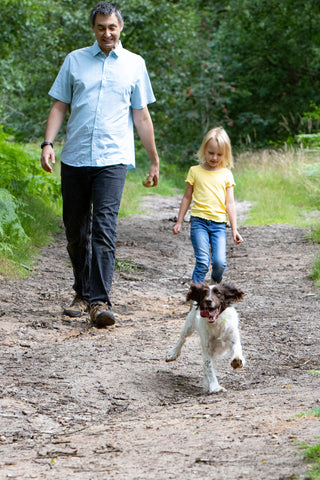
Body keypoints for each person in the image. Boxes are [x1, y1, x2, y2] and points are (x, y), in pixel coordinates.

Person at [40, 1, 159, 328]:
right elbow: (59, 105)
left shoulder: (135, 64)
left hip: (113, 158)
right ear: (94, 29)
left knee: (104, 229)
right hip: (76, 157)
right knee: (75, 231)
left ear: (121, 28)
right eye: (101, 27)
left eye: (112, 27)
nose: (107, 33)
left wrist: (153, 159)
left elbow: (142, 115)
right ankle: (82, 290)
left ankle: (99, 301)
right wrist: (48, 144)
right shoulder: (74, 61)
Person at [172, 127, 242, 285]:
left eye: (219, 154)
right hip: (199, 222)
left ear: (225, 154)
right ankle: (195, 298)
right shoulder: (194, 171)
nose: (214, 158)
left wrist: (234, 229)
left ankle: (213, 289)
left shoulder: (226, 174)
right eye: (211, 153)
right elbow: (186, 197)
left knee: (219, 263)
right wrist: (179, 221)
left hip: (219, 225)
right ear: (204, 150)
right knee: (203, 262)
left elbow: (230, 203)